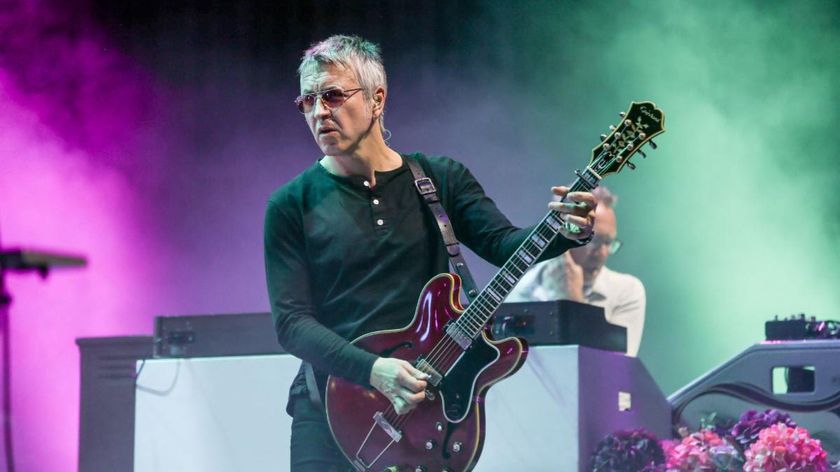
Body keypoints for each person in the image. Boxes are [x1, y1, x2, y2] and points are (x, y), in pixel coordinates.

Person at [263, 35, 597, 472]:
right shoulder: (291, 204)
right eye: (307, 101)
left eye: (332, 95)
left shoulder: (441, 178)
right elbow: (291, 324)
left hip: (424, 414)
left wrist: (566, 230)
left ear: (377, 99)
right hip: (329, 409)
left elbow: (504, 245)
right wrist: (374, 370)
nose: (319, 111)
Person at [508, 186, 646, 356]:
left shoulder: (626, 291)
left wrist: (572, 301)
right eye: (594, 241)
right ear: (563, 234)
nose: (602, 253)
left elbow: (612, 370)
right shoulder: (524, 288)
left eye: (608, 243)